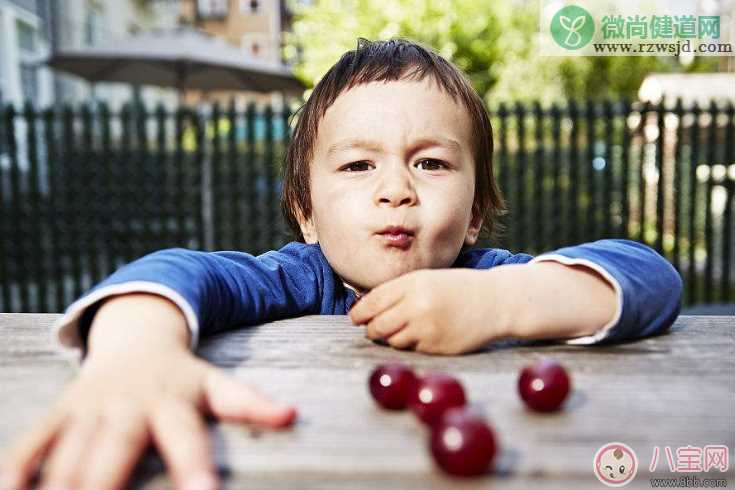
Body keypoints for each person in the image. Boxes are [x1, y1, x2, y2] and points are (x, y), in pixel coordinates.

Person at [1, 37, 682, 490]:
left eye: (431, 162)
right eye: (358, 165)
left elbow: (650, 276)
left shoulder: (488, 274)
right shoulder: (298, 278)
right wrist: (134, 351)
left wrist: (504, 300)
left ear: (475, 210)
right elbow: (186, 272)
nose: (395, 188)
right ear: (306, 212)